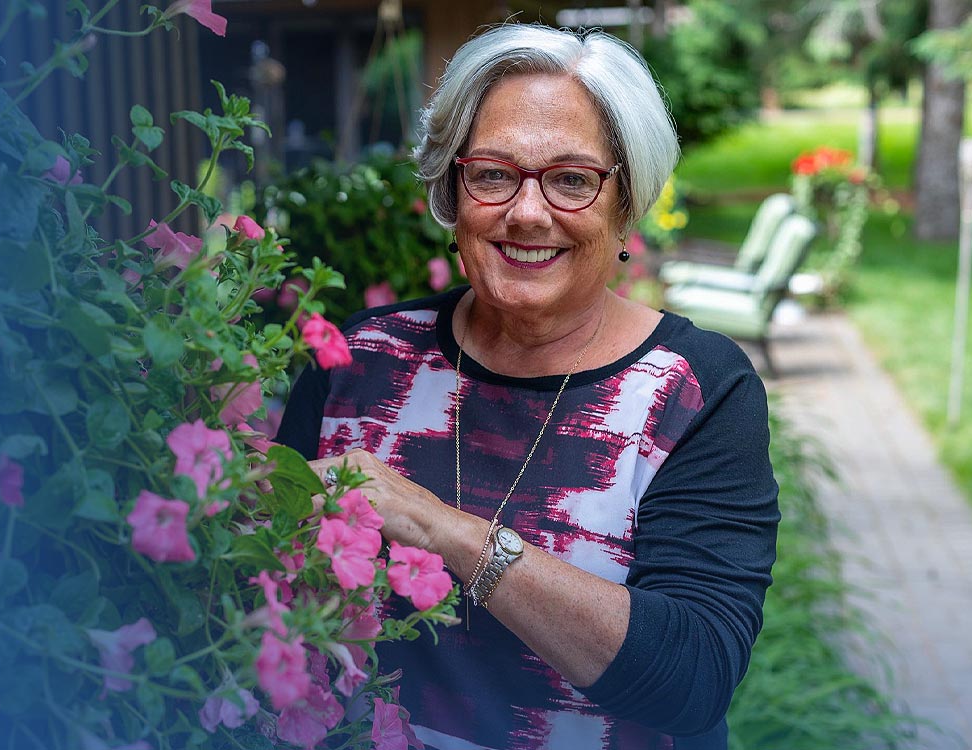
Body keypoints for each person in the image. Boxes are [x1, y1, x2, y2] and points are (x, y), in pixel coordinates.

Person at [274, 24, 778, 750]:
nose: (527, 212)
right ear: (453, 191)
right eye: (492, 173)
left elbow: (692, 678)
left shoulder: (694, 391)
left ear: (626, 203)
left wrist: (438, 528)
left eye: (572, 179)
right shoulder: (362, 358)